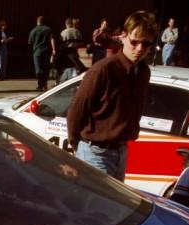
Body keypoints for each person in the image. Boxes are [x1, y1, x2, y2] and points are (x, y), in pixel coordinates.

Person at [66, 11, 157, 182]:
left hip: (121, 150)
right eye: (134, 42)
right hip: (95, 152)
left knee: (113, 207)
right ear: (123, 37)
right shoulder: (103, 70)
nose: (139, 49)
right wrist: (78, 146)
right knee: (96, 205)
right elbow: (76, 111)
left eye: (145, 44)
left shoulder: (143, 72)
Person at [28, 16, 54, 91]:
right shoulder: (48, 29)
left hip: (37, 52)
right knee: (45, 68)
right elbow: (52, 39)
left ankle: (40, 85)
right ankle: (45, 84)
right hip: (46, 52)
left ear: (37, 22)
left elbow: (30, 42)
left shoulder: (33, 30)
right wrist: (53, 49)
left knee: (38, 69)